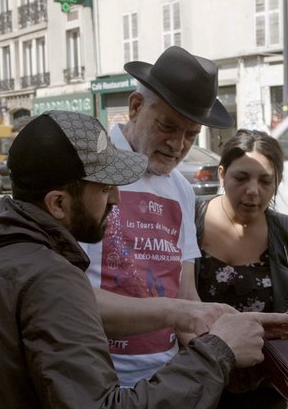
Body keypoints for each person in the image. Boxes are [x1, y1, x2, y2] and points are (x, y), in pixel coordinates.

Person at [0, 110, 288, 409]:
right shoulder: (51, 281)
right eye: (103, 187)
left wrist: (191, 316)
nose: (115, 198)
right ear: (58, 203)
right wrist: (216, 353)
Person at [80, 45, 239, 387]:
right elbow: (69, 296)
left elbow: (185, 293)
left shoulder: (181, 189)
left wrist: (218, 347)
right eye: (167, 126)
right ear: (135, 107)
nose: (177, 144)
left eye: (191, 135)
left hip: (165, 379)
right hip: (96, 377)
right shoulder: (92, 172)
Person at [194, 129, 288, 409]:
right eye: (241, 178)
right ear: (222, 173)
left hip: (267, 391)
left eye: (265, 181)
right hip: (197, 382)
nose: (253, 191)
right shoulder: (190, 220)